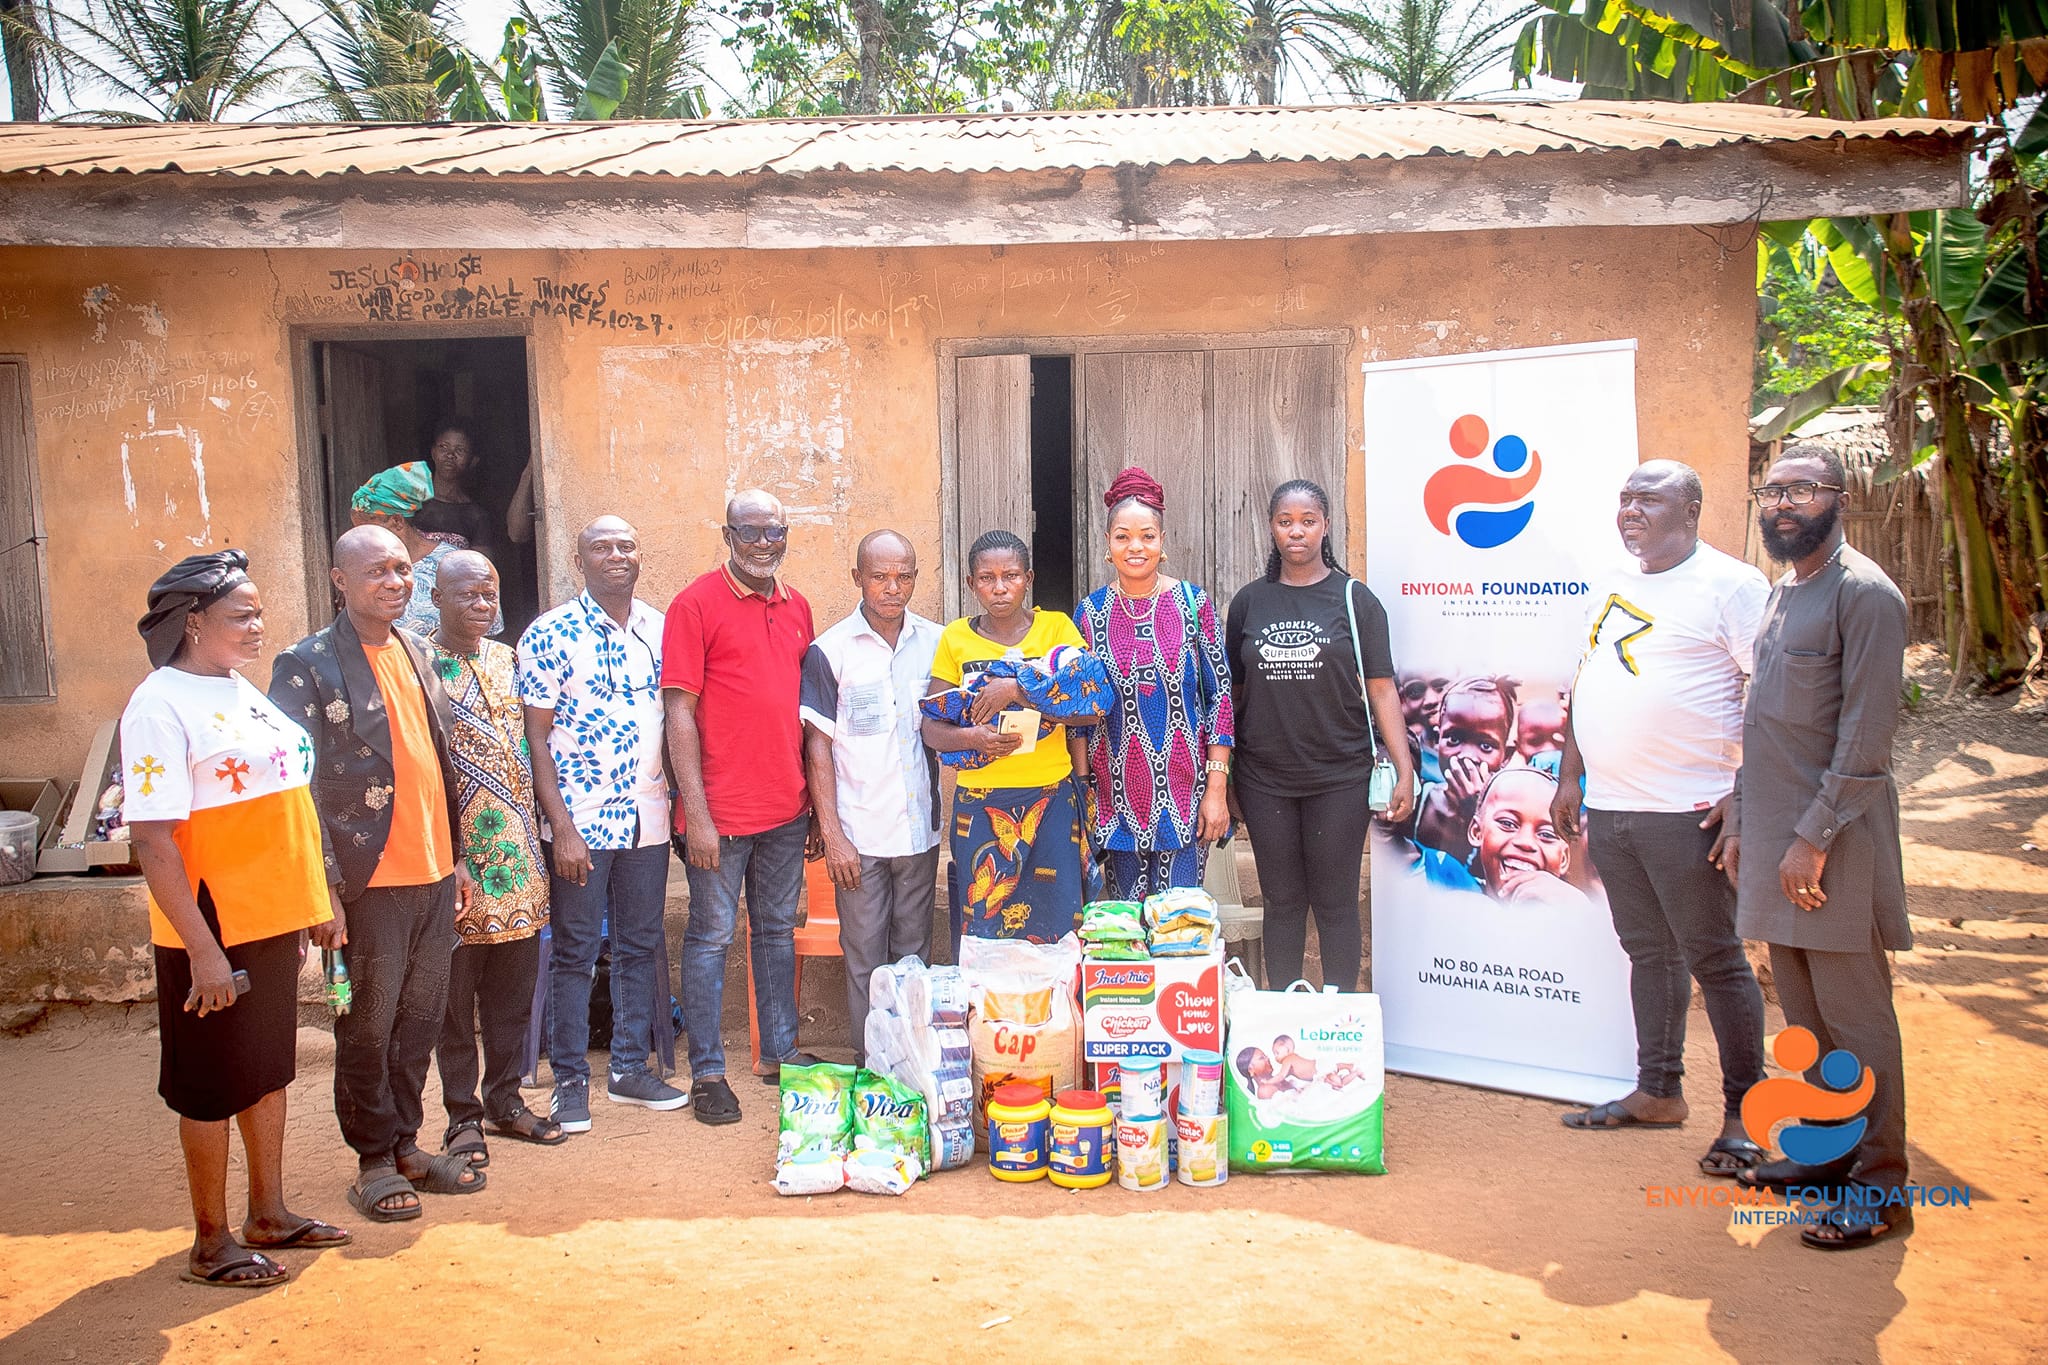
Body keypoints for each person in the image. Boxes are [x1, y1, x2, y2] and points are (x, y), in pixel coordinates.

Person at [123, 551, 351, 1288]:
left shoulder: (237, 689)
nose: (258, 626)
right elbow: (154, 841)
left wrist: (315, 898)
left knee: (266, 1071)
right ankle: (210, 1238)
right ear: (194, 624)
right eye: (240, 615)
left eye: (257, 612)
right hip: (212, 928)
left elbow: (287, 803)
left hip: (271, 918)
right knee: (210, 1082)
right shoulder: (159, 704)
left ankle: (270, 1212)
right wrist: (203, 951)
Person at [1552, 460, 1770, 1179]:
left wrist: (1745, 791)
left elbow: (1769, 695)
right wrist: (1571, 775)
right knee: (1649, 951)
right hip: (1612, 807)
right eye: (1625, 498)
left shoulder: (1733, 585)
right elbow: (1589, 680)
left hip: (1691, 810)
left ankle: (1745, 1116)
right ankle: (1658, 1090)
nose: (1632, 510)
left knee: (1717, 961)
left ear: (1693, 508)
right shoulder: (1612, 582)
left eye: (1650, 498)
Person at [270, 526, 483, 1222]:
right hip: (366, 882)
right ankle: (370, 1159)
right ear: (339, 579)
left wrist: (458, 861)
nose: (395, 581)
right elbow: (293, 786)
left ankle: (406, 1145)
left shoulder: (414, 649)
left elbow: (437, 765)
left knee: (420, 1019)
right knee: (367, 1024)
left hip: (431, 873)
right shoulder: (306, 665)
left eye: (402, 569)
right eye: (377, 572)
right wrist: (321, 884)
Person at [1730, 444, 1914, 1251]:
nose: (1784, 503)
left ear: (1839, 498)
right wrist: (1742, 817)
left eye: (1803, 489)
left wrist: (1813, 838)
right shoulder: (1782, 590)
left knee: (1856, 1018)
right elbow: (1760, 724)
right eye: (1774, 489)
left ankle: (1879, 1185)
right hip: (1775, 837)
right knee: (1804, 1013)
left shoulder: (1865, 595)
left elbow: (1866, 740)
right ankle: (1829, 1156)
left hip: (1830, 841)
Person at [519, 517, 685, 1133]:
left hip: (648, 816)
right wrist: (559, 825)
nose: (616, 555)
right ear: (580, 557)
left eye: (626, 545)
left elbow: (674, 725)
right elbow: (536, 737)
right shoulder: (551, 634)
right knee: (575, 952)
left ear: (639, 555)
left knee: (641, 943)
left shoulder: (660, 629)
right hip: (581, 823)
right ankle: (569, 1082)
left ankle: (628, 1069)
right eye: (601, 547)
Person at [663, 491, 820, 1125]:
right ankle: (706, 1072)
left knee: (776, 931)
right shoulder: (694, 604)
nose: (763, 542)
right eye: (750, 531)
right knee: (709, 937)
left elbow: (806, 718)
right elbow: (678, 711)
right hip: (718, 816)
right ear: (727, 533)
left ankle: (779, 1054)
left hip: (786, 810)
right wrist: (695, 813)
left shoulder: (798, 606)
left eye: (774, 531)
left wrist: (809, 806)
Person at [1226, 479, 1416, 991]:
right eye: (1285, 522)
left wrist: (1405, 768)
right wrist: (1225, 777)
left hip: (1340, 777)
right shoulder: (1249, 603)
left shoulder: (1356, 601)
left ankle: (1338, 1017)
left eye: (1308, 521)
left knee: (1334, 902)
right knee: (1282, 901)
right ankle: (1282, 1013)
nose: (1297, 532)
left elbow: (1381, 691)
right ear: (1271, 528)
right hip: (1265, 780)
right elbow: (1234, 698)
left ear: (1325, 526)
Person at [427, 551, 562, 1166]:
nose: (482, 606)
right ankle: (462, 1117)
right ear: (437, 598)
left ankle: (506, 1101)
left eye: (490, 594)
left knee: (513, 993)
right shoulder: (419, 665)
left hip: (520, 859)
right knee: (455, 1000)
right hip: (456, 861)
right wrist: (449, 852)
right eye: (467, 595)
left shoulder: (513, 661)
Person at [799, 530, 943, 1062]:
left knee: (914, 960)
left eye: (903, 575)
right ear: (857, 577)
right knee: (864, 961)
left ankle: (911, 1065)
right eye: (879, 576)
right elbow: (817, 749)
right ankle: (870, 1065)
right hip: (859, 836)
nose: (892, 587)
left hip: (920, 831)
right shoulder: (830, 651)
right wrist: (833, 836)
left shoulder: (936, 642)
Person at [923, 531, 1091, 945]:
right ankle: (990, 1011)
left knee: (1057, 922)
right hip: (981, 803)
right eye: (986, 578)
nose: (999, 588)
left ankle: (1052, 1010)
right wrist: (973, 738)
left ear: (1028, 578)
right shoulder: (955, 638)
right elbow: (930, 727)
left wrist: (1017, 690)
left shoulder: (1057, 630)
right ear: (971, 584)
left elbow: (1088, 706)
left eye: (1011, 576)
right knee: (985, 922)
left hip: (1051, 798)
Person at [1076, 467, 1235, 900]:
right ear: (1108, 545)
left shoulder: (1192, 603)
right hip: (1114, 797)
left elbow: (1219, 698)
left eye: (1147, 535)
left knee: (1179, 926)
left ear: (1162, 542)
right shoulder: (1090, 614)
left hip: (1185, 794)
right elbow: (1080, 715)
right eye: (1123, 536)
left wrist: (1217, 790)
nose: (1135, 547)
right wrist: (1085, 794)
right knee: (1125, 932)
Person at [1413, 676, 1518, 864]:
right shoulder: (1418, 804)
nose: (1467, 756)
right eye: (1453, 739)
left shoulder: (1510, 819)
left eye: (1486, 746)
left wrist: (1478, 812)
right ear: (1438, 741)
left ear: (1506, 756)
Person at [412, 426, 498, 557]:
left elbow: (482, 568)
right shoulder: (411, 499)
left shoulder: (476, 516)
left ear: (473, 461)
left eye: (460, 450)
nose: (450, 455)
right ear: (433, 452)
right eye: (443, 447)